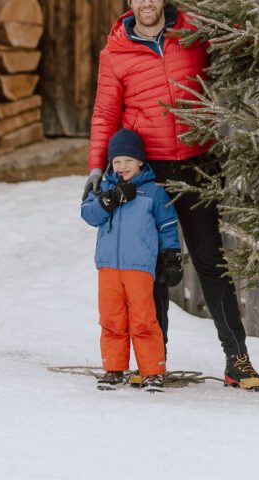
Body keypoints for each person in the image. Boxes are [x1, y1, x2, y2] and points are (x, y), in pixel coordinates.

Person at [82, 0, 259, 390]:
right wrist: (97, 165)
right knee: (154, 266)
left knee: (210, 260)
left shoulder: (193, 32)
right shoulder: (115, 53)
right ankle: (153, 362)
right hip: (149, 173)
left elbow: (246, 31)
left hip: (198, 162)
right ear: (130, 3)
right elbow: (106, 111)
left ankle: (236, 359)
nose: (147, 2)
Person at [81, 127, 183, 393]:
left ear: (140, 161)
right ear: (110, 164)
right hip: (108, 267)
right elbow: (89, 215)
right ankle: (113, 369)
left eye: (128, 160)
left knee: (143, 320)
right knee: (111, 319)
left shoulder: (153, 192)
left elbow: (167, 226)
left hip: (139, 267)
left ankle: (152, 372)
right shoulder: (104, 187)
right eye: (117, 161)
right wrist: (110, 199)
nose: (123, 166)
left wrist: (172, 257)